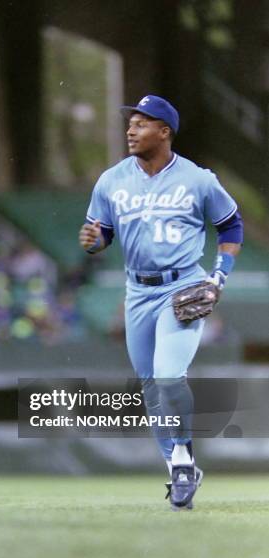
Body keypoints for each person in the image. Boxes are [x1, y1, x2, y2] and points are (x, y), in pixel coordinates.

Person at [79, 94, 243, 510]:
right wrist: (94, 242)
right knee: (151, 387)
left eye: (141, 123)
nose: (130, 130)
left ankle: (184, 458)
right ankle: (177, 466)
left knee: (170, 375)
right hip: (137, 291)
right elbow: (103, 234)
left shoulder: (198, 179)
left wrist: (219, 276)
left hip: (182, 287)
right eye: (129, 123)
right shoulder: (111, 180)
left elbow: (231, 225)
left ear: (164, 131)